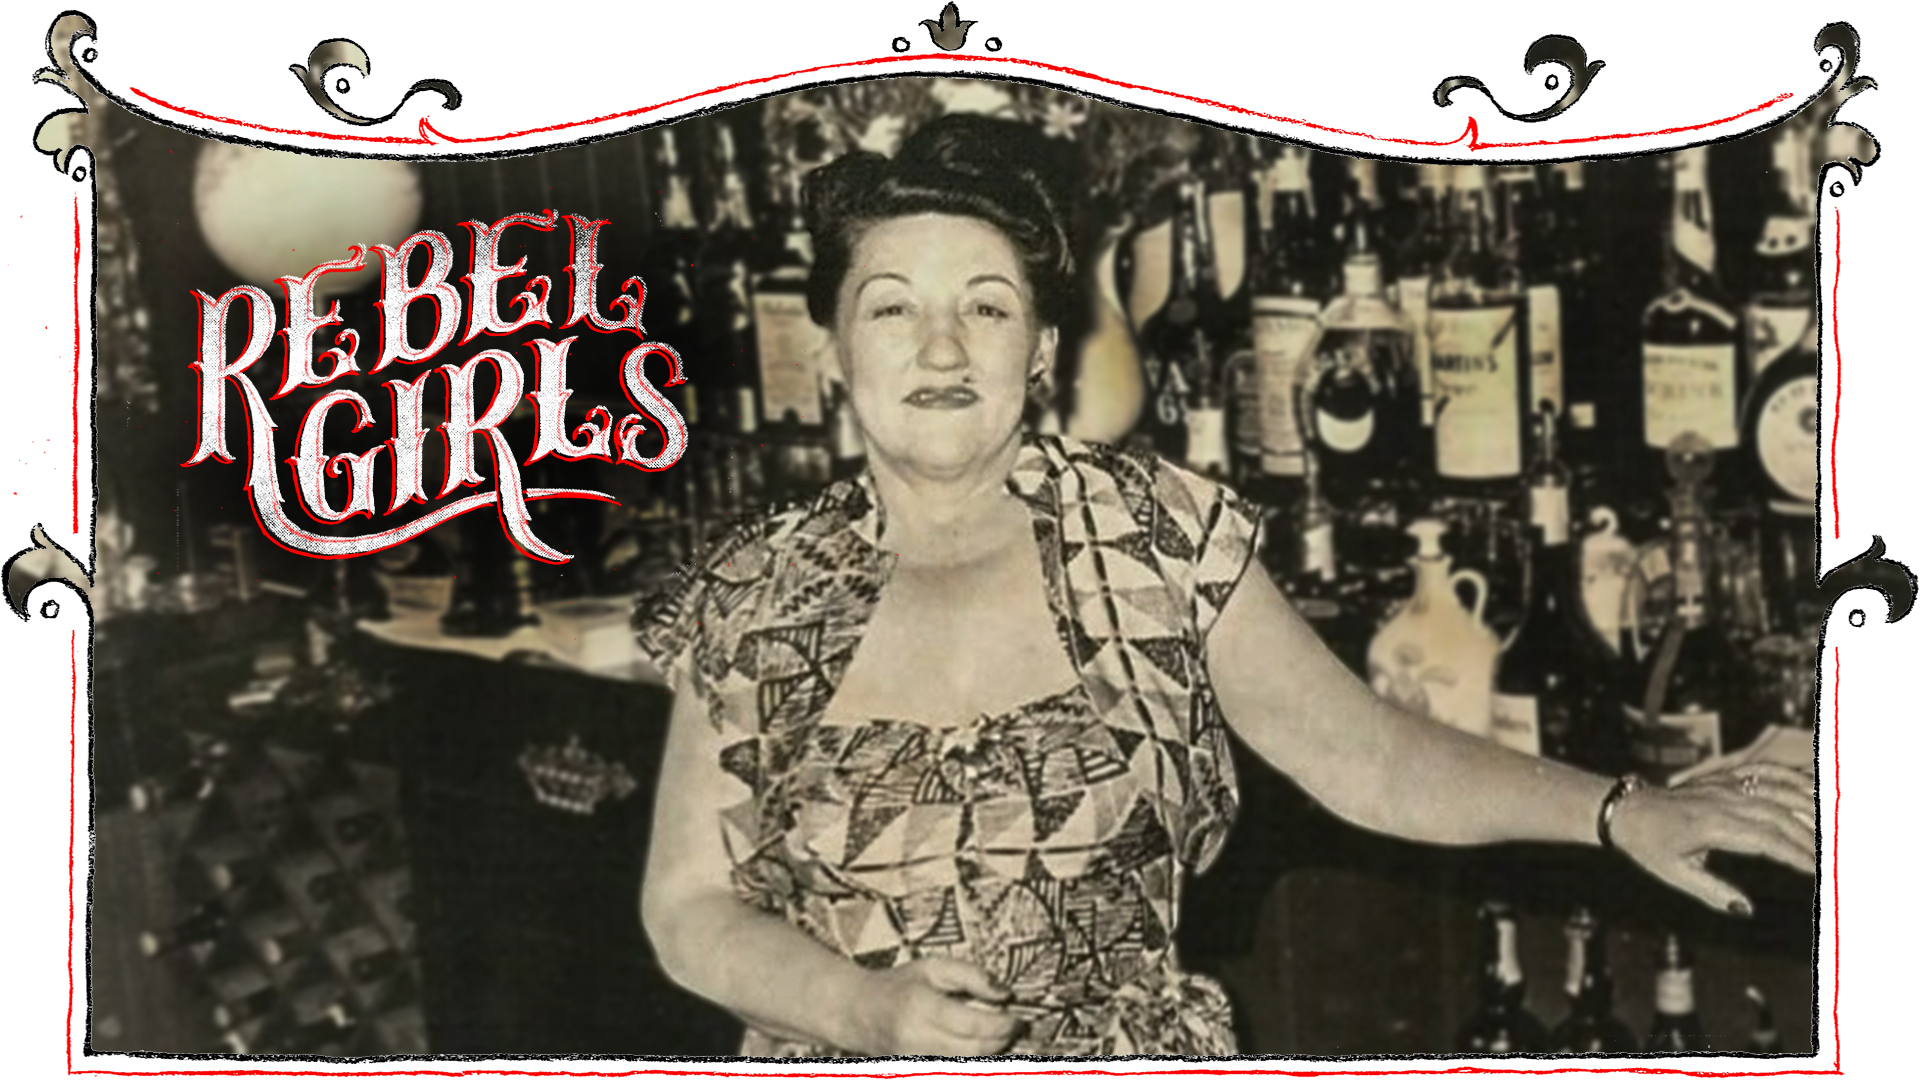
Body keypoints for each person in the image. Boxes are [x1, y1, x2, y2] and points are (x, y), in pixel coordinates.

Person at [633, 115, 1816, 1058]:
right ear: (833, 350)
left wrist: (1620, 811)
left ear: (1039, 350)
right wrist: (867, 1012)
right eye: (892, 308)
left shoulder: (1149, 534)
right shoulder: (755, 591)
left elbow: (1367, 756)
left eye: (985, 307)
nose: (941, 349)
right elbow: (687, 910)